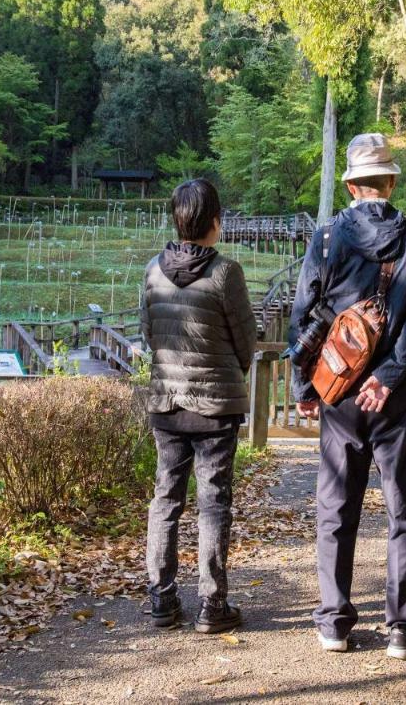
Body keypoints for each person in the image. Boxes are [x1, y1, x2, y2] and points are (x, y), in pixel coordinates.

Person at [289, 133, 406, 661]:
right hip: (393, 399)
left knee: (336, 504)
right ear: (392, 182)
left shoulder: (327, 237)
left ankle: (334, 622)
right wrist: (390, 376)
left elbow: (304, 314)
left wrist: (306, 385)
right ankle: (405, 628)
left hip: (339, 392)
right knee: (405, 508)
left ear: (352, 184)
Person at [140, 178, 257, 634]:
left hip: (166, 402)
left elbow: (149, 331)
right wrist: (231, 370)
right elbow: (246, 340)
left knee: (165, 499)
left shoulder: (153, 269)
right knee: (213, 503)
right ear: (214, 222)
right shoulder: (226, 273)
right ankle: (213, 604)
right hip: (215, 407)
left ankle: (162, 600)